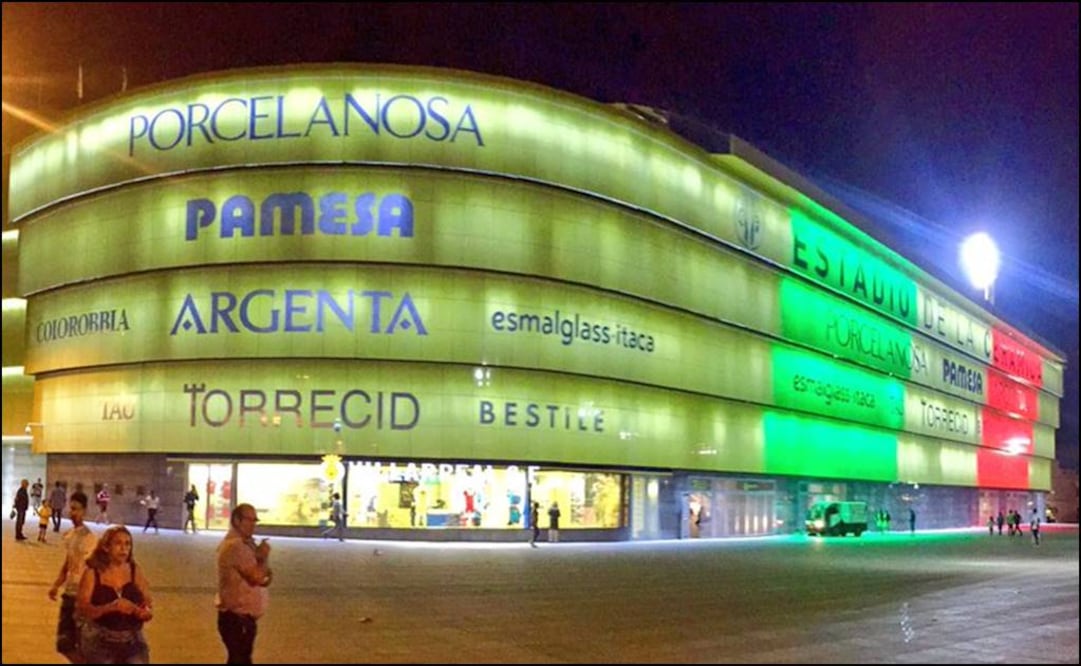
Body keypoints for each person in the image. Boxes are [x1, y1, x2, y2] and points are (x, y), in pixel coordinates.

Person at [76, 525, 153, 664]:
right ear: (106, 547)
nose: (124, 548)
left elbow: (147, 604)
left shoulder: (134, 571)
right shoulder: (93, 573)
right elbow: (83, 608)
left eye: (128, 544)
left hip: (132, 639)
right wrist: (110, 607)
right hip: (100, 639)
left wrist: (141, 611)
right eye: (118, 543)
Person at [217, 503, 273, 664]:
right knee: (240, 659)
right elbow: (256, 577)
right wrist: (262, 558)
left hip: (242, 618)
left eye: (255, 521)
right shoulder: (236, 546)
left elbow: (265, 578)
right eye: (249, 520)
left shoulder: (245, 544)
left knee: (240, 659)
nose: (253, 525)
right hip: (236, 619)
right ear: (237, 520)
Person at [49, 491, 98, 664]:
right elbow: (68, 562)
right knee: (64, 644)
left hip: (81, 598)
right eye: (71, 508)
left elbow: (91, 569)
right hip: (68, 595)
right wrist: (56, 584)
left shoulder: (90, 539)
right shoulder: (69, 535)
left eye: (76, 509)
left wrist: (84, 598)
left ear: (84, 511)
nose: (72, 512)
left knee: (79, 643)